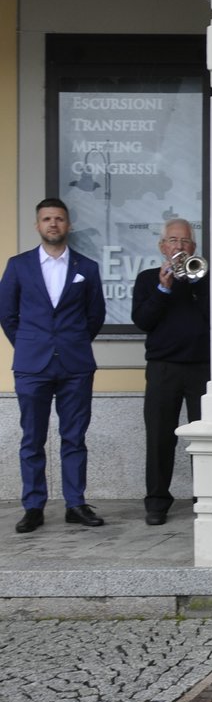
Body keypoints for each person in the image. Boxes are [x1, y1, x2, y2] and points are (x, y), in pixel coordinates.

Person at [0, 198, 107, 532]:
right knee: (32, 439)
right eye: (47, 219)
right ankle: (34, 506)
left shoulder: (86, 268)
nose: (53, 224)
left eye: (59, 219)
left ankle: (75, 504)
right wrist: (31, 345)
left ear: (68, 224)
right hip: (33, 366)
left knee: (74, 437)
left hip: (75, 365)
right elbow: (7, 315)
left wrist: (70, 343)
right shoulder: (18, 266)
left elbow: (95, 315)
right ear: (38, 225)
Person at [132, 217, 211, 527]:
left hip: (202, 367)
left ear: (194, 247)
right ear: (162, 246)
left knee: (205, 439)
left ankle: (205, 497)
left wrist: (195, 284)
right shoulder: (147, 278)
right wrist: (163, 290)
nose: (180, 247)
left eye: (186, 242)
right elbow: (143, 321)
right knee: (160, 436)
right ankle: (157, 501)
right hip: (163, 367)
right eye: (174, 241)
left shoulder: (204, 278)